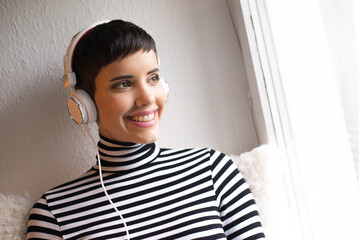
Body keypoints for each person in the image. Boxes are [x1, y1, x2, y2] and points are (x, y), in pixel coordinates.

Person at [27, 19, 265, 240]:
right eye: (123, 84)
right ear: (85, 104)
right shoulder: (53, 214)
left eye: (153, 78)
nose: (147, 98)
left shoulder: (213, 171)